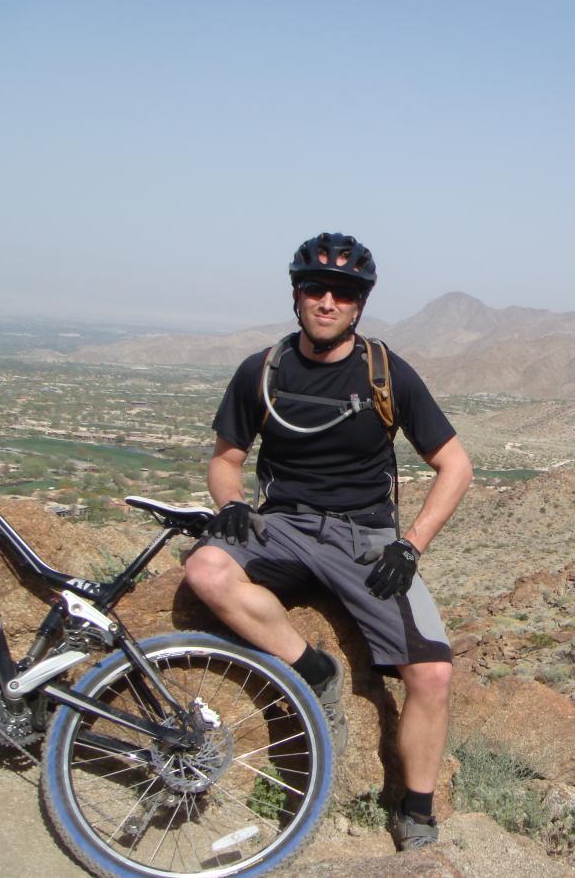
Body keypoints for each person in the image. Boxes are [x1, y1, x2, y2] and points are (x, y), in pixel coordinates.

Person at [183, 231, 472, 851]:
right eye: (316, 288)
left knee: (432, 675)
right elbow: (225, 459)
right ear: (297, 295)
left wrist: (411, 544)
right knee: (205, 570)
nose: (328, 301)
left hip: (364, 539)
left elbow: (455, 465)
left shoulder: (385, 372)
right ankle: (315, 672)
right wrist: (231, 504)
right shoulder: (262, 371)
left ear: (359, 304)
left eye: (343, 292)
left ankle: (416, 813)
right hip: (282, 528)